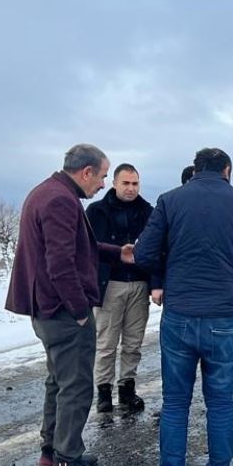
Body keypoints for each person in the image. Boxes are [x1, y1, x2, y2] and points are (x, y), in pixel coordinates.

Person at [134, 147, 233, 466]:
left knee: (175, 403)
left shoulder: (169, 201)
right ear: (227, 170)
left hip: (180, 315)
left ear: (195, 170)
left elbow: (143, 255)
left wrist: (171, 275)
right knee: (220, 402)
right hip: (222, 317)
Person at [5, 144, 133, 466]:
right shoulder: (61, 200)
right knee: (75, 385)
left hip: (46, 308)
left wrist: (116, 252)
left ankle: (53, 453)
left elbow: (77, 248)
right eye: (103, 176)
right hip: (62, 311)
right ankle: (67, 463)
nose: (104, 184)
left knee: (58, 382)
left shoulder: (46, 192)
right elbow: (59, 263)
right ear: (86, 172)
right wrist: (78, 311)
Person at [86, 163, 159, 414]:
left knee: (133, 342)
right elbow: (86, 250)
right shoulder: (96, 212)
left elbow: (158, 249)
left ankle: (127, 388)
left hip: (138, 284)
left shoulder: (149, 213)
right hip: (109, 285)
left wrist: (155, 283)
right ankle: (103, 391)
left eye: (135, 183)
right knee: (106, 342)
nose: (131, 188)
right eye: (126, 183)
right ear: (115, 183)